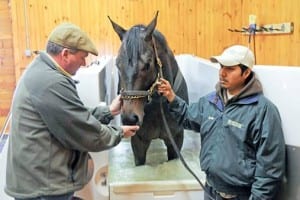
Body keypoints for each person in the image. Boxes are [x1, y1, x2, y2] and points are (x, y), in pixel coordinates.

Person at [5, 23, 139, 200]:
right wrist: (119, 133)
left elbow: (71, 116)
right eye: (83, 57)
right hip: (43, 189)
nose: (84, 64)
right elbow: (83, 130)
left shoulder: (42, 71)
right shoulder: (51, 82)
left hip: (40, 181)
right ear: (65, 54)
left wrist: (108, 111)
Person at [157, 45, 285, 200]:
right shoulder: (210, 101)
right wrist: (171, 96)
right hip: (211, 191)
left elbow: (269, 169)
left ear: (246, 73)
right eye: (221, 66)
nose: (222, 73)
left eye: (230, 68)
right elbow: (187, 118)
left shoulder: (263, 111)